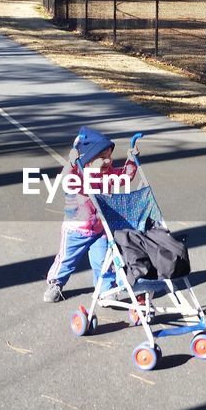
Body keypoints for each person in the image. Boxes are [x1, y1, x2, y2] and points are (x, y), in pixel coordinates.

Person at [42, 127, 139, 303]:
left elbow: (125, 176)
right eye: (102, 158)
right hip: (76, 229)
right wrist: (71, 164)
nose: (108, 161)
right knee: (66, 260)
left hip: (100, 229)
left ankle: (106, 291)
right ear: (88, 159)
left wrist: (131, 161)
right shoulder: (78, 175)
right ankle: (55, 283)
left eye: (109, 156)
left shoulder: (108, 174)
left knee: (103, 262)